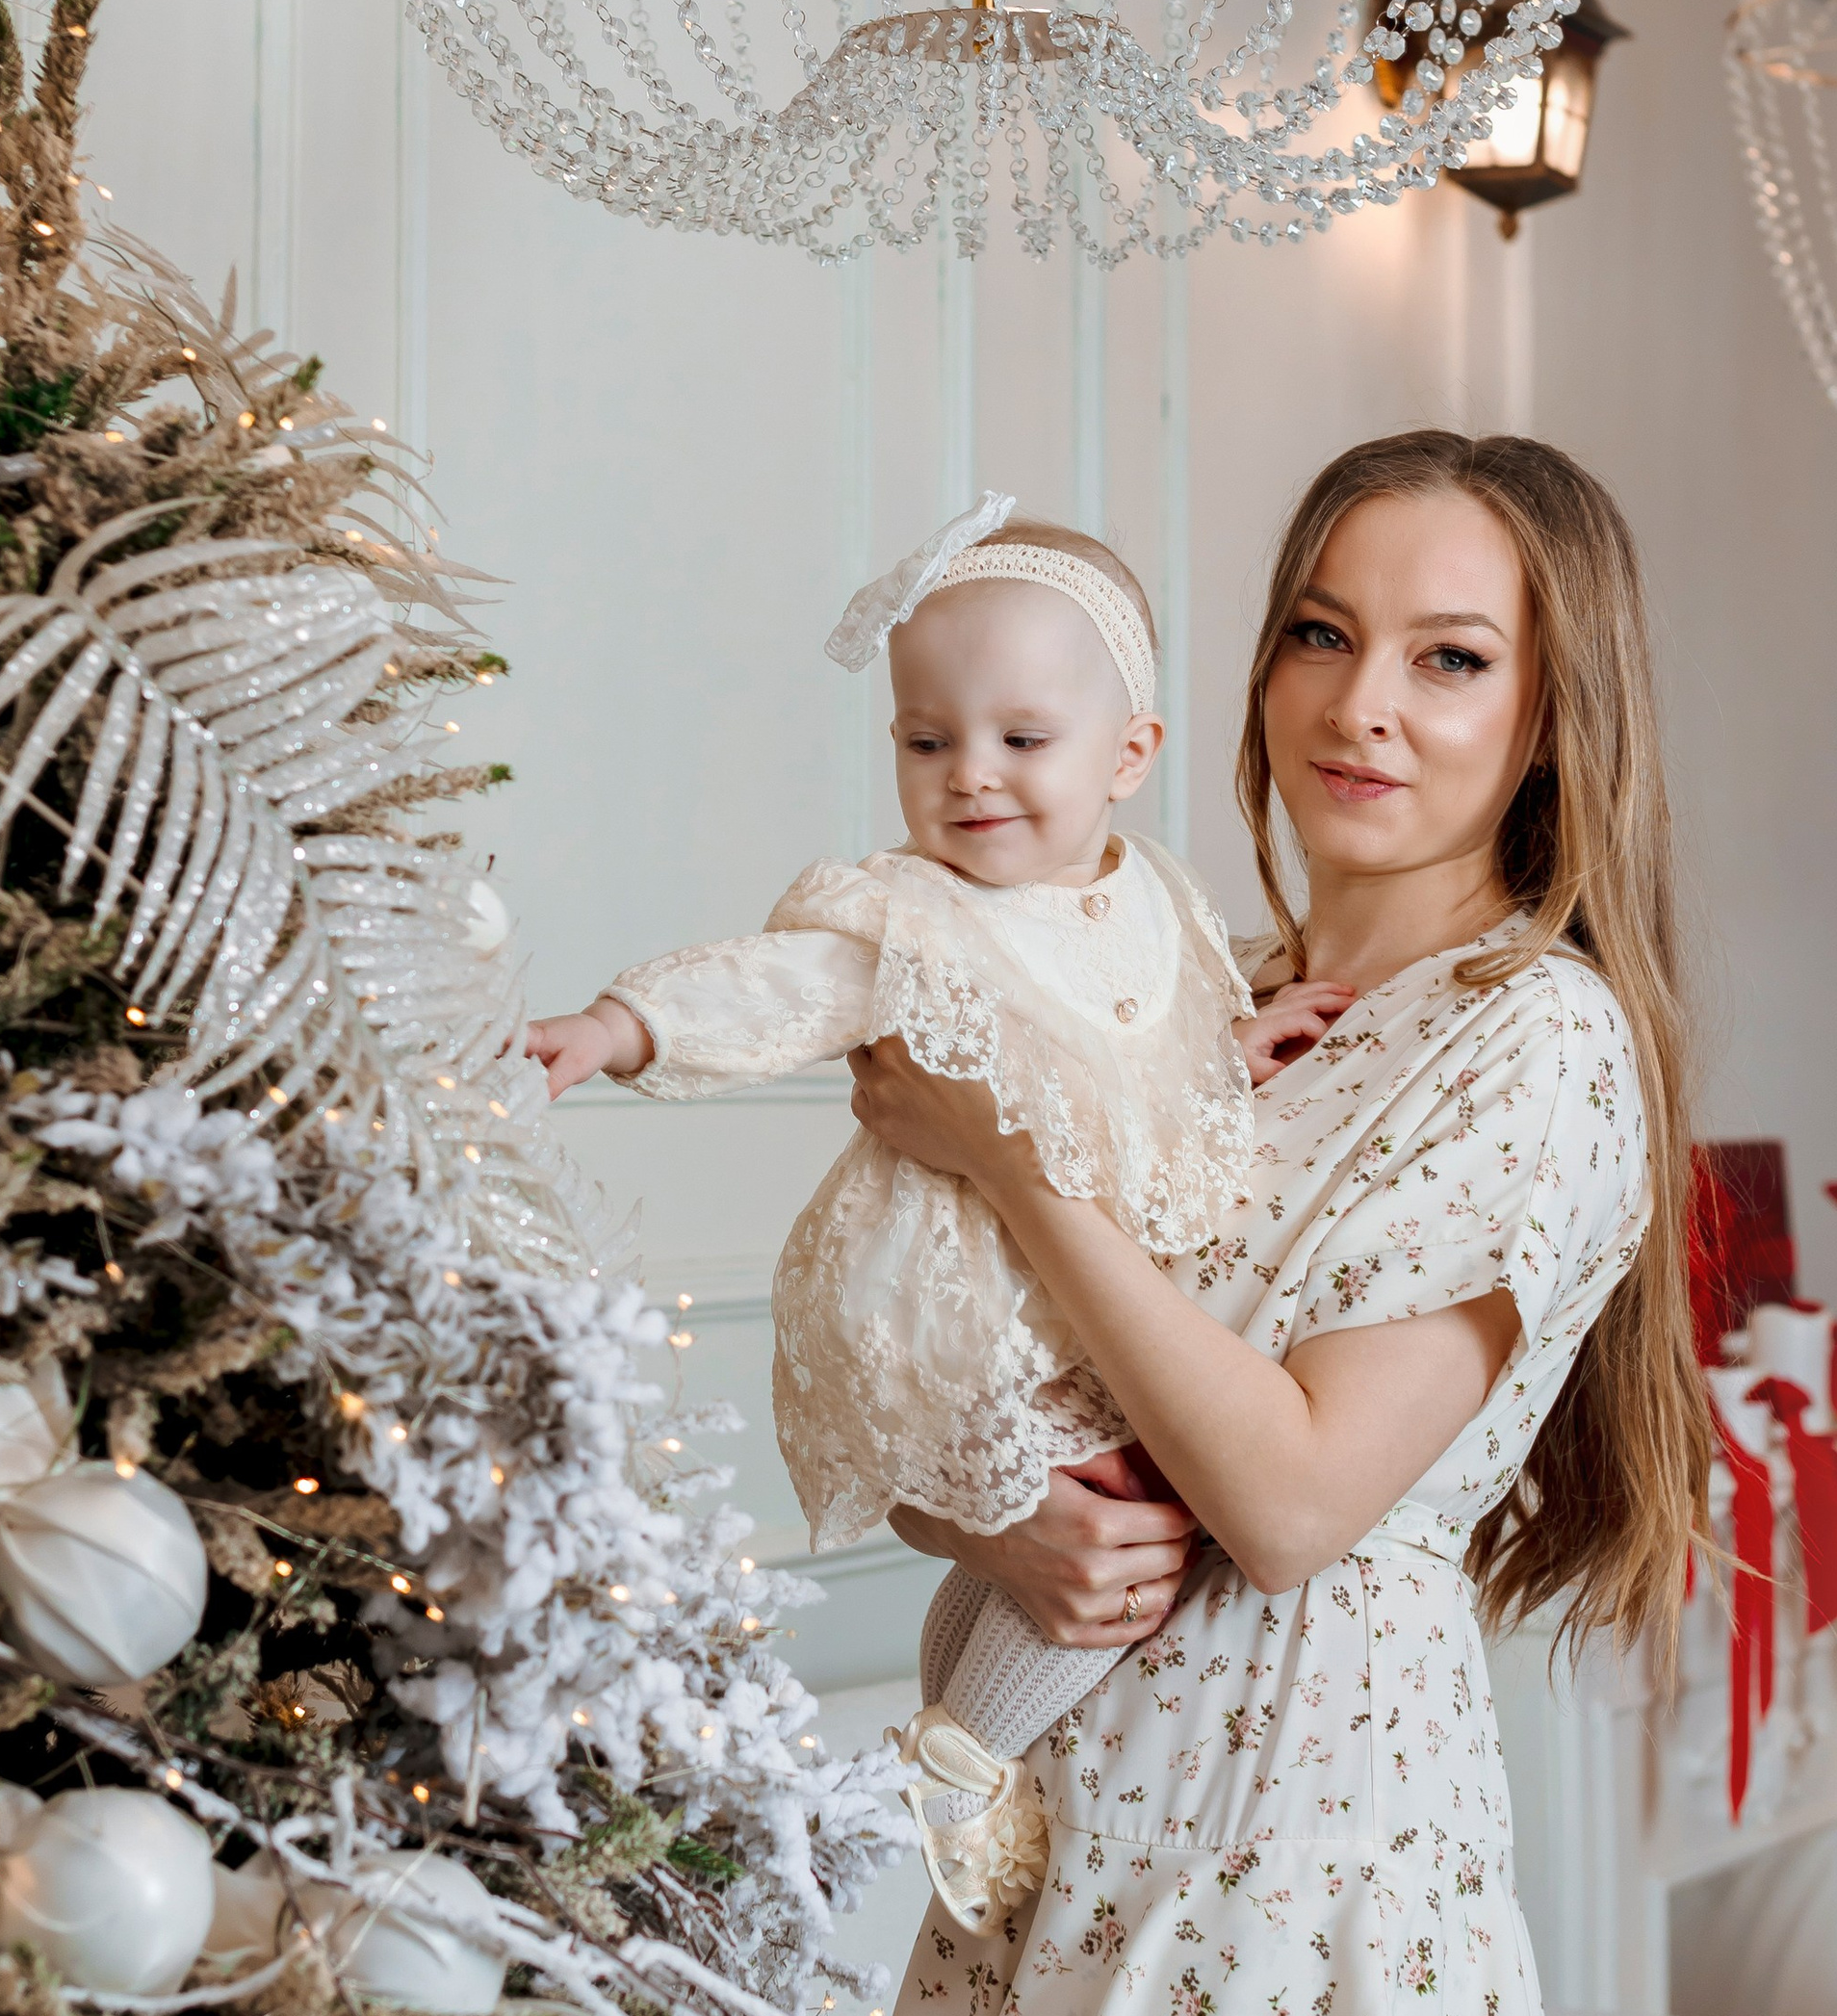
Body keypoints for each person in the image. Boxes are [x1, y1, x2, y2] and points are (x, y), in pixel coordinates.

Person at [848, 429, 1710, 2016]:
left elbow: (1301, 1494)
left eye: (1448, 656)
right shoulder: (1183, 990)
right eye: (1323, 633)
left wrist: (1017, 1164)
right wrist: (992, 1520)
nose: (1365, 704)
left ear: (1550, 716)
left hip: (1281, 1900)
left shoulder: (1534, 1046)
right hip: (1053, 1878)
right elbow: (983, 1402)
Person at [523, 497, 1334, 1925]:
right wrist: (614, 1027)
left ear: (1128, 756)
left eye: (1022, 741)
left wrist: (1235, 1050)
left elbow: (1171, 1025)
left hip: (1073, 1286)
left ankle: (952, 1714)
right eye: (925, 741)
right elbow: (768, 989)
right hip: (957, 1303)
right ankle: (968, 1754)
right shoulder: (908, 917)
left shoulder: (1162, 898)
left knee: (1074, 1522)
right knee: (1136, 1511)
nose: (971, 779)